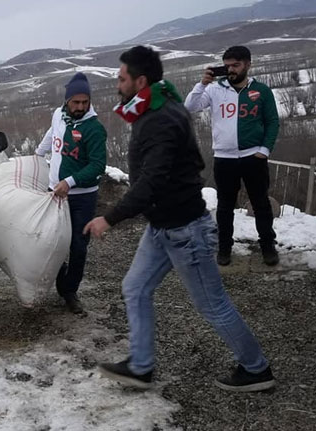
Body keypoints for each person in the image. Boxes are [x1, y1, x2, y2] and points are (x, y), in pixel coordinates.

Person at [84, 46, 275, 392]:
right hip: (162, 227)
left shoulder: (160, 118)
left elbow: (152, 181)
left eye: (122, 77)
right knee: (135, 287)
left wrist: (109, 218)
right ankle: (141, 366)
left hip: (185, 230)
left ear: (140, 80)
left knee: (213, 306)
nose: (117, 82)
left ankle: (257, 368)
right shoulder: (153, 108)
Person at [185, 45, 280, 266]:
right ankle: (225, 248)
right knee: (225, 206)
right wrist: (202, 83)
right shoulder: (215, 89)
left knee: (261, 204)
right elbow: (189, 106)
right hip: (224, 159)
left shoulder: (261, 91)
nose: (231, 70)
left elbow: (272, 122)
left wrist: (264, 150)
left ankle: (268, 246)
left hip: (252, 157)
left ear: (248, 64)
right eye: (227, 66)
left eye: (236, 65)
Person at [35, 72, 107, 315]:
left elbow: (97, 166)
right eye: (75, 102)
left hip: (82, 196)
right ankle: (58, 276)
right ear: (66, 101)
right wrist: (37, 153)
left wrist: (71, 181)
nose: (80, 107)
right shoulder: (59, 115)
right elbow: (52, 133)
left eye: (85, 102)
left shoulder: (94, 128)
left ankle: (69, 290)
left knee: (78, 245)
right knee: (51, 239)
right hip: (55, 191)